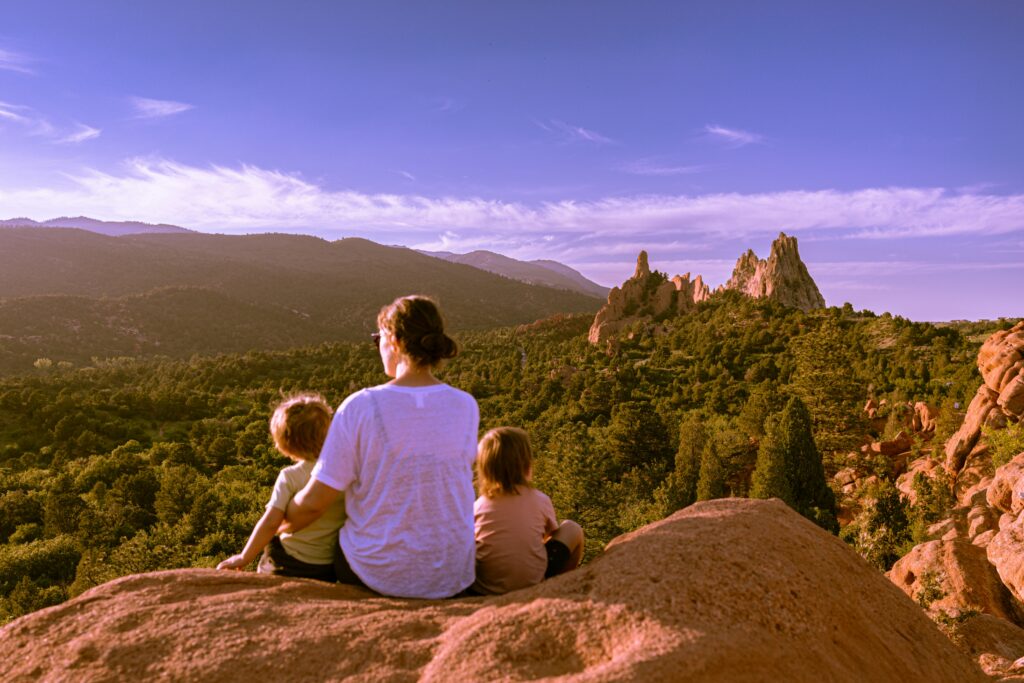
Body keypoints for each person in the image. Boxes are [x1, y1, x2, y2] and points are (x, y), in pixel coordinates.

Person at [285, 295, 478, 599]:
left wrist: (279, 522)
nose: (378, 347)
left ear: (395, 340)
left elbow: (315, 502)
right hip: (454, 572)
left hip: (376, 572)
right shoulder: (466, 405)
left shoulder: (361, 406)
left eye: (378, 339)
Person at [217, 394, 345, 582]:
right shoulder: (346, 471)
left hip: (289, 562)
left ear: (285, 444)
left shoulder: (290, 477)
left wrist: (244, 556)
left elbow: (271, 523)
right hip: (328, 566)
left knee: (273, 546)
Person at [471, 426, 584, 595]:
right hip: (532, 584)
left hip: (485, 589)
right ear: (526, 464)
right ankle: (561, 584)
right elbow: (548, 537)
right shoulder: (540, 499)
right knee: (572, 528)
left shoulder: (479, 505)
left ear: (485, 469)